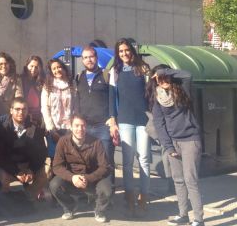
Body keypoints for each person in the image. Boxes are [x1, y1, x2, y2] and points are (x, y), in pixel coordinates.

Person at [149, 65, 204, 226]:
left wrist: (164, 72)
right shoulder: (158, 99)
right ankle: (183, 215)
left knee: (190, 180)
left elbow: (187, 74)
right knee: (178, 180)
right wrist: (168, 146)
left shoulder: (182, 90)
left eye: (165, 77)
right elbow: (159, 125)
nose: (163, 81)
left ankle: (199, 220)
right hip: (173, 142)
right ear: (156, 82)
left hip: (190, 141)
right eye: (159, 79)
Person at [108, 39, 151, 214]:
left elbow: (151, 95)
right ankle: (129, 196)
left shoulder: (143, 68)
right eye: (120, 51)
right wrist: (112, 119)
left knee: (144, 159)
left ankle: (144, 196)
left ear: (132, 50)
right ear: (117, 54)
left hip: (143, 120)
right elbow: (111, 97)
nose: (124, 53)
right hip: (124, 120)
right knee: (127, 162)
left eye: (126, 50)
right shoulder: (115, 71)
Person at [50, 114, 112, 223]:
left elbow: (104, 167)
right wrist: (72, 177)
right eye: (76, 125)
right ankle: (70, 207)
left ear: (86, 126)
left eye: (83, 126)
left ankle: (99, 210)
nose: (80, 129)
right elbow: (56, 166)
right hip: (72, 180)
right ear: (71, 127)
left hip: (93, 179)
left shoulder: (96, 142)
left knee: (107, 189)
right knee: (54, 185)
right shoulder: (63, 142)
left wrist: (87, 178)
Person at [0, 98, 48, 199]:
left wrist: (31, 169)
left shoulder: (35, 129)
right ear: (11, 110)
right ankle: (6, 203)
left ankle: (28, 199)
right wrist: (16, 171)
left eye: (24, 109)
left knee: (44, 173)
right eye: (17, 109)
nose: (21, 112)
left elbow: (41, 153)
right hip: (8, 166)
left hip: (27, 165)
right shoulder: (1, 129)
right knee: (2, 178)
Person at [74, 47, 114, 186]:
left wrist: (112, 117)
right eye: (85, 57)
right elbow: (77, 100)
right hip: (85, 127)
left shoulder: (106, 75)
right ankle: (91, 192)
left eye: (91, 57)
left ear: (96, 57)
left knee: (106, 161)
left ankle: (108, 192)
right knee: (88, 161)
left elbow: (112, 98)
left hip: (103, 126)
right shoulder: (79, 77)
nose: (88, 60)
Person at [41, 58, 74, 159]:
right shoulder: (47, 86)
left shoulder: (72, 84)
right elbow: (45, 108)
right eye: (54, 69)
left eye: (59, 67)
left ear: (63, 68)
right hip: (54, 128)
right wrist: (51, 129)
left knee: (69, 156)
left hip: (69, 128)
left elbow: (76, 106)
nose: (57, 70)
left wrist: (73, 126)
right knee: (55, 156)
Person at [0, 52, 22, 118]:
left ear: (10, 64)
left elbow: (19, 98)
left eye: (6, 63)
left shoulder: (16, 79)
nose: (3, 66)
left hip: (9, 116)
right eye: (0, 64)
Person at [20, 55, 45, 128]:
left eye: (36, 67)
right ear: (26, 65)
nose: (33, 69)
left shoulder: (42, 82)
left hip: (38, 119)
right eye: (31, 66)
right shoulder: (20, 80)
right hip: (23, 117)